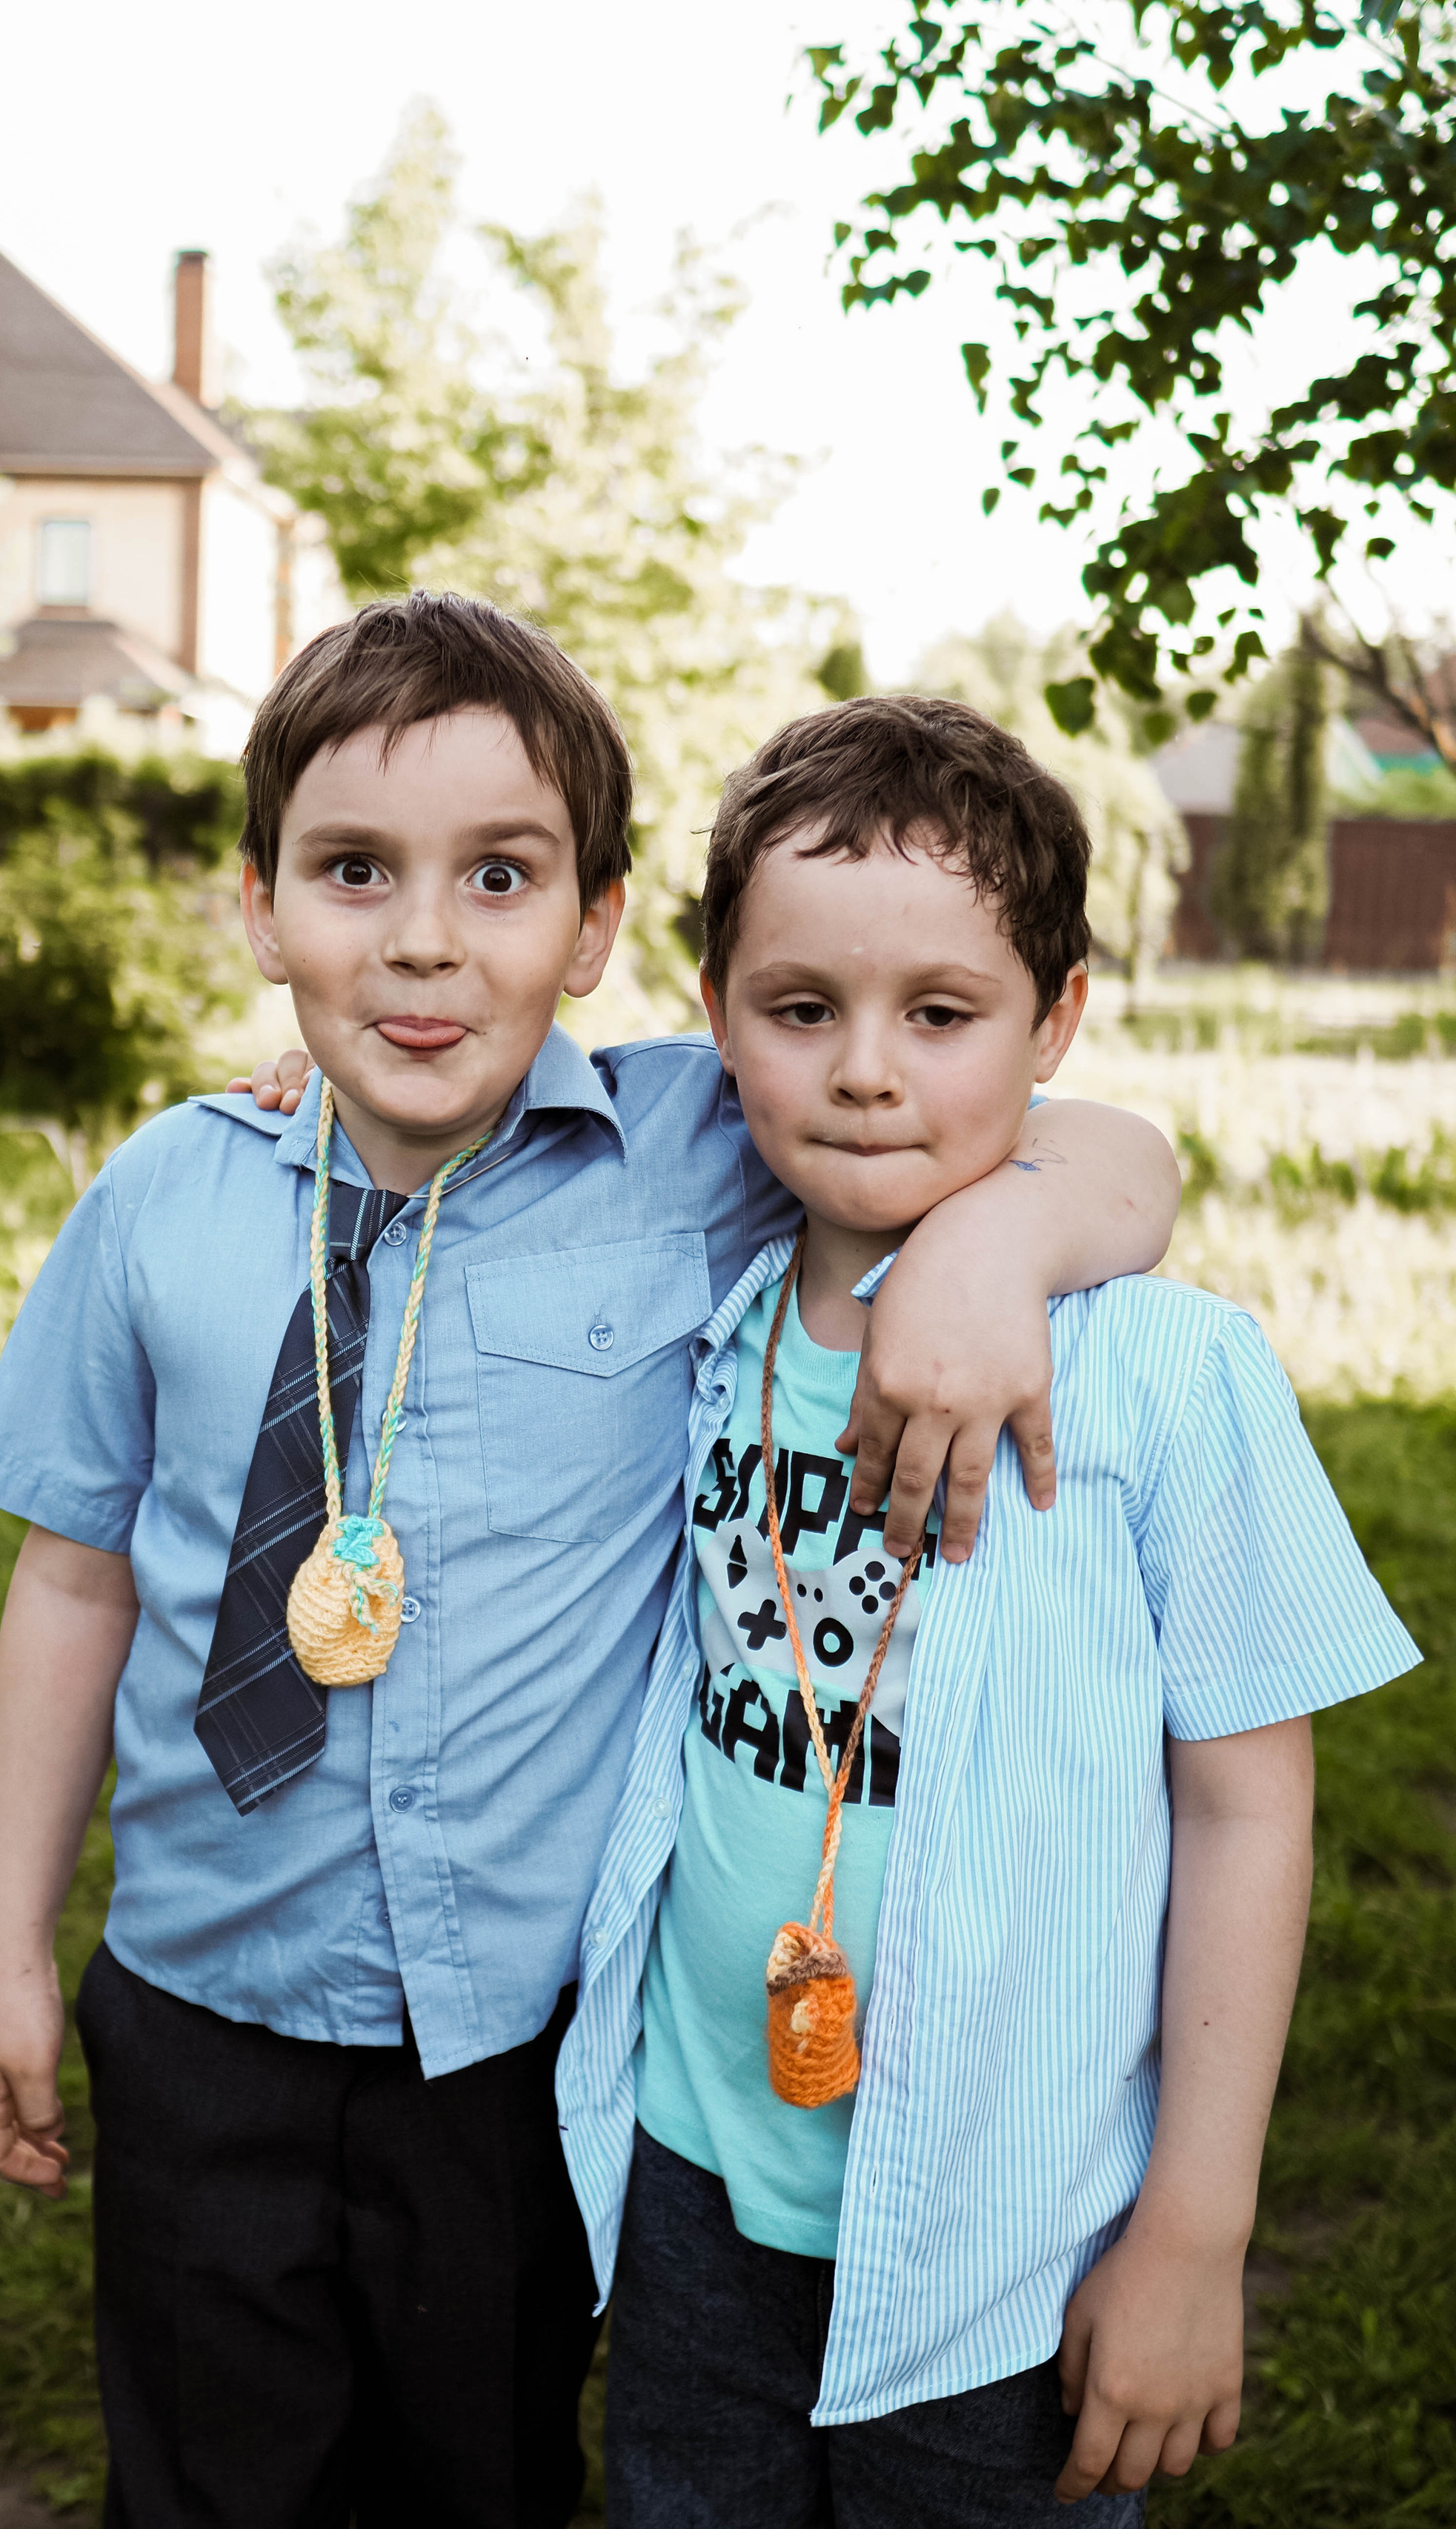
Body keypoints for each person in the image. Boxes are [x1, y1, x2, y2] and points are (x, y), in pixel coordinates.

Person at [0, 596, 1182, 2529]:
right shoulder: (158, 1200)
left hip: (510, 2034)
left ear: (598, 926)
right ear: (258, 906)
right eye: (355, 871)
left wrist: (990, 1250)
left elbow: (1100, 1140)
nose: (425, 938)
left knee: (489, 2463)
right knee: (205, 2472)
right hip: (196, 1993)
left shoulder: (694, 1141)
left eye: (499, 877)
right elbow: (73, 1577)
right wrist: (6, 1946)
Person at [555, 694, 1423, 2528]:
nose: (866, 1069)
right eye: (800, 1009)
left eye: (939, 1016)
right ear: (716, 1016)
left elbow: (1247, 1803)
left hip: (1004, 2234)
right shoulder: (696, 1308)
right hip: (697, 2174)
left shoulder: (1169, 1376)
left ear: (1058, 1022)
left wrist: (1194, 2230)